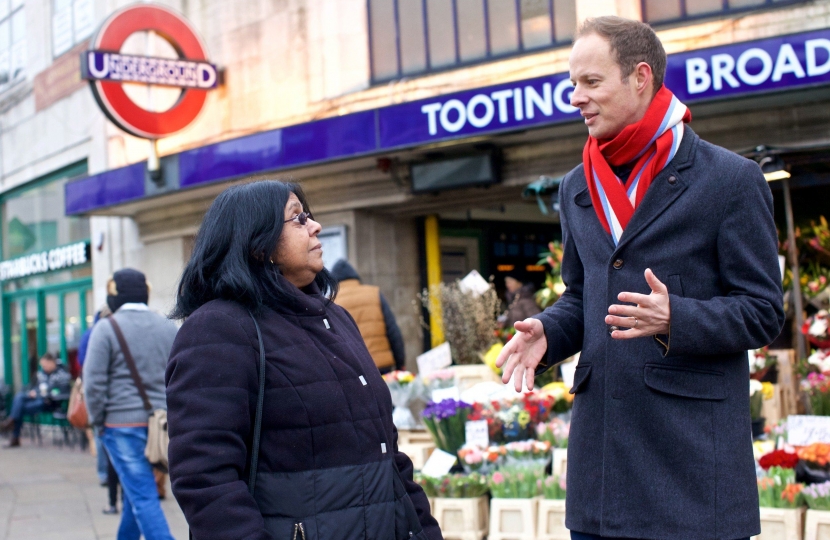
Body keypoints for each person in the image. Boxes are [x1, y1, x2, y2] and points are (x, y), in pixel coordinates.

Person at [496, 17, 784, 540]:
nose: (576, 97)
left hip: (693, 477)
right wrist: (551, 331)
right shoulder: (575, 187)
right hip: (601, 477)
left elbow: (763, 311)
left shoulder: (730, 180)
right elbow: (582, 296)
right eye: (572, 84)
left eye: (590, 82)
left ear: (640, 77)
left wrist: (678, 316)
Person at [166, 180, 441, 540]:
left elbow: (388, 454)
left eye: (308, 215)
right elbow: (205, 478)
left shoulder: (336, 319)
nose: (315, 226)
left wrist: (423, 530)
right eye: (297, 218)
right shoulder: (218, 328)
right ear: (258, 244)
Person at [84, 268, 177, 540]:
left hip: (120, 424)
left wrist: (98, 422)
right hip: (161, 423)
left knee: (143, 496)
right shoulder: (167, 326)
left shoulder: (106, 328)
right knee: (137, 491)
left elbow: (93, 384)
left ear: (115, 294)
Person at [330, 258, 407, 372]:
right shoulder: (374, 293)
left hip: (355, 370)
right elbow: (393, 332)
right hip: (382, 367)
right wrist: (400, 364)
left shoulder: (331, 302)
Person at [0, 353, 72, 448]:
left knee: (19, 409)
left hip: (50, 402)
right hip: (38, 398)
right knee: (20, 396)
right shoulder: (42, 374)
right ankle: (12, 423)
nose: (43, 367)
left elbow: (58, 391)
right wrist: (33, 392)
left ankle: (13, 429)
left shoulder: (62, 374)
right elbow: (35, 386)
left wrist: (38, 393)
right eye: (42, 365)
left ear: (52, 362)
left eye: (45, 365)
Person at [79, 305, 112, 487]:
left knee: (101, 434)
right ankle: (105, 474)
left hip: (103, 395)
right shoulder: (95, 334)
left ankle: (105, 475)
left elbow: (83, 362)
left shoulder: (92, 333)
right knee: (101, 435)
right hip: (106, 393)